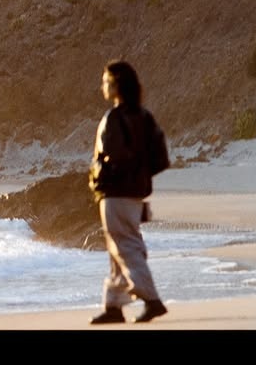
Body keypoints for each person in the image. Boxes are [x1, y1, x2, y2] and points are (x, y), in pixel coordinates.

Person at [88, 60, 169, 325]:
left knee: (125, 247)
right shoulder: (144, 117)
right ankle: (113, 306)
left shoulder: (114, 118)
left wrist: (107, 177)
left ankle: (152, 300)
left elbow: (109, 158)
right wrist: (140, 175)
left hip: (115, 194)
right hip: (135, 194)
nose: (102, 86)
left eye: (105, 81)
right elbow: (161, 158)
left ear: (115, 85)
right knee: (119, 247)